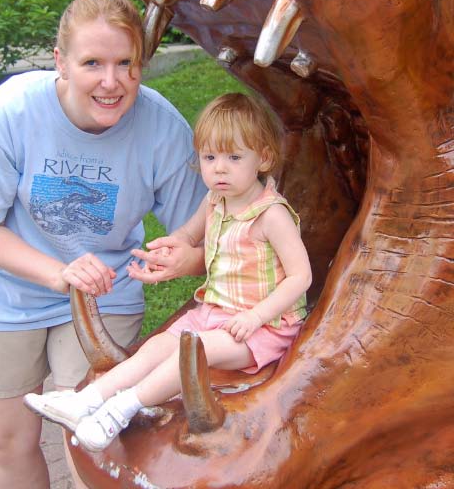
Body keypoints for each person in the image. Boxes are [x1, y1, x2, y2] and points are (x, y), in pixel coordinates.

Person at [0, 0, 207, 488]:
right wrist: (56, 272)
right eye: (92, 63)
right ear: (60, 62)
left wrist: (182, 258)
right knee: (7, 441)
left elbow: (202, 235)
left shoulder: (162, 128)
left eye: (126, 63)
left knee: (92, 436)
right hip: (3, 293)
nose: (111, 83)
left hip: (102, 293)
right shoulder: (10, 112)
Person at [24, 91, 312, 452]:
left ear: (264, 158)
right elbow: (190, 234)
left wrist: (256, 317)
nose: (219, 168)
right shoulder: (215, 200)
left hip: (263, 329)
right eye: (209, 157)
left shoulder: (272, 215)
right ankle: (85, 401)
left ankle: (117, 412)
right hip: (214, 313)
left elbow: (301, 277)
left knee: (190, 355)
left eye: (234, 157)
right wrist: (170, 246)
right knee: (156, 346)